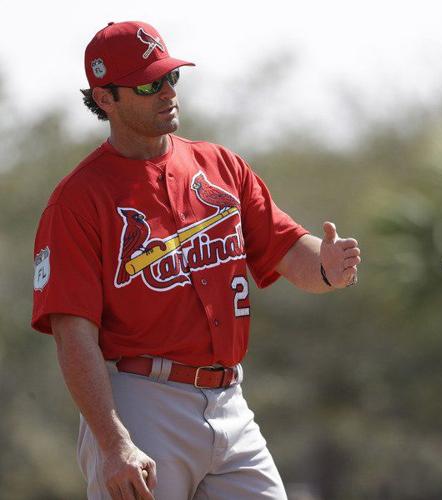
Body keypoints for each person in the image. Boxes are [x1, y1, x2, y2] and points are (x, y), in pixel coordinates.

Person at [31, 21, 361, 500]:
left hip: (230, 400)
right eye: (147, 84)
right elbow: (72, 332)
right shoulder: (79, 200)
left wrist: (329, 267)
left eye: (171, 78)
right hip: (142, 402)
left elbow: (289, 252)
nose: (166, 92)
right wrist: (112, 441)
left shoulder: (220, 165)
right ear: (106, 99)